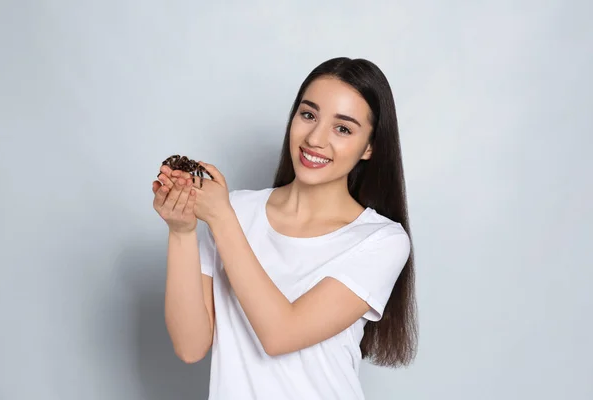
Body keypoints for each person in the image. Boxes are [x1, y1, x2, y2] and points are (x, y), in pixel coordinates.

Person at [151, 57, 417, 400]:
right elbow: (190, 347)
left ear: (370, 147)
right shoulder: (234, 210)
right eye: (308, 115)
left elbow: (281, 335)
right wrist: (182, 231)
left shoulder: (381, 240)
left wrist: (221, 219)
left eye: (343, 128)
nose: (315, 139)